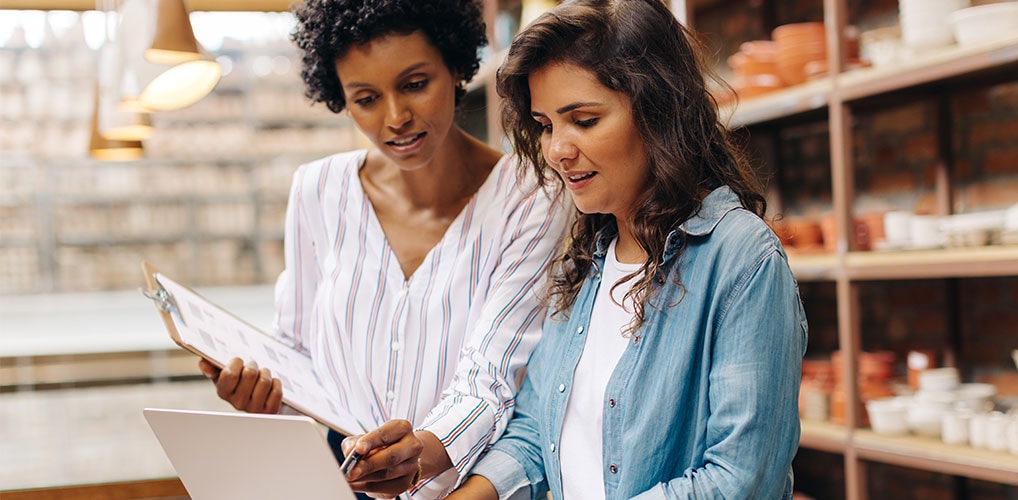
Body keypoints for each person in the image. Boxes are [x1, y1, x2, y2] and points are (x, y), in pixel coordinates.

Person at [196, 1, 568, 498]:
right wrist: (266, 393)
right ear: (340, 97)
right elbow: (298, 351)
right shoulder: (317, 191)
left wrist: (422, 451)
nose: (395, 118)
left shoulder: (532, 197)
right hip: (334, 482)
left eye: (415, 84)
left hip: (465, 489)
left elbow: (494, 378)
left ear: (456, 67)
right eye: (366, 98)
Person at [448, 0, 808, 498]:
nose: (556, 149)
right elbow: (537, 432)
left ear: (658, 112)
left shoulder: (740, 260)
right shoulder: (585, 258)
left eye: (584, 120)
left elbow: (739, 480)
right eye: (546, 125)